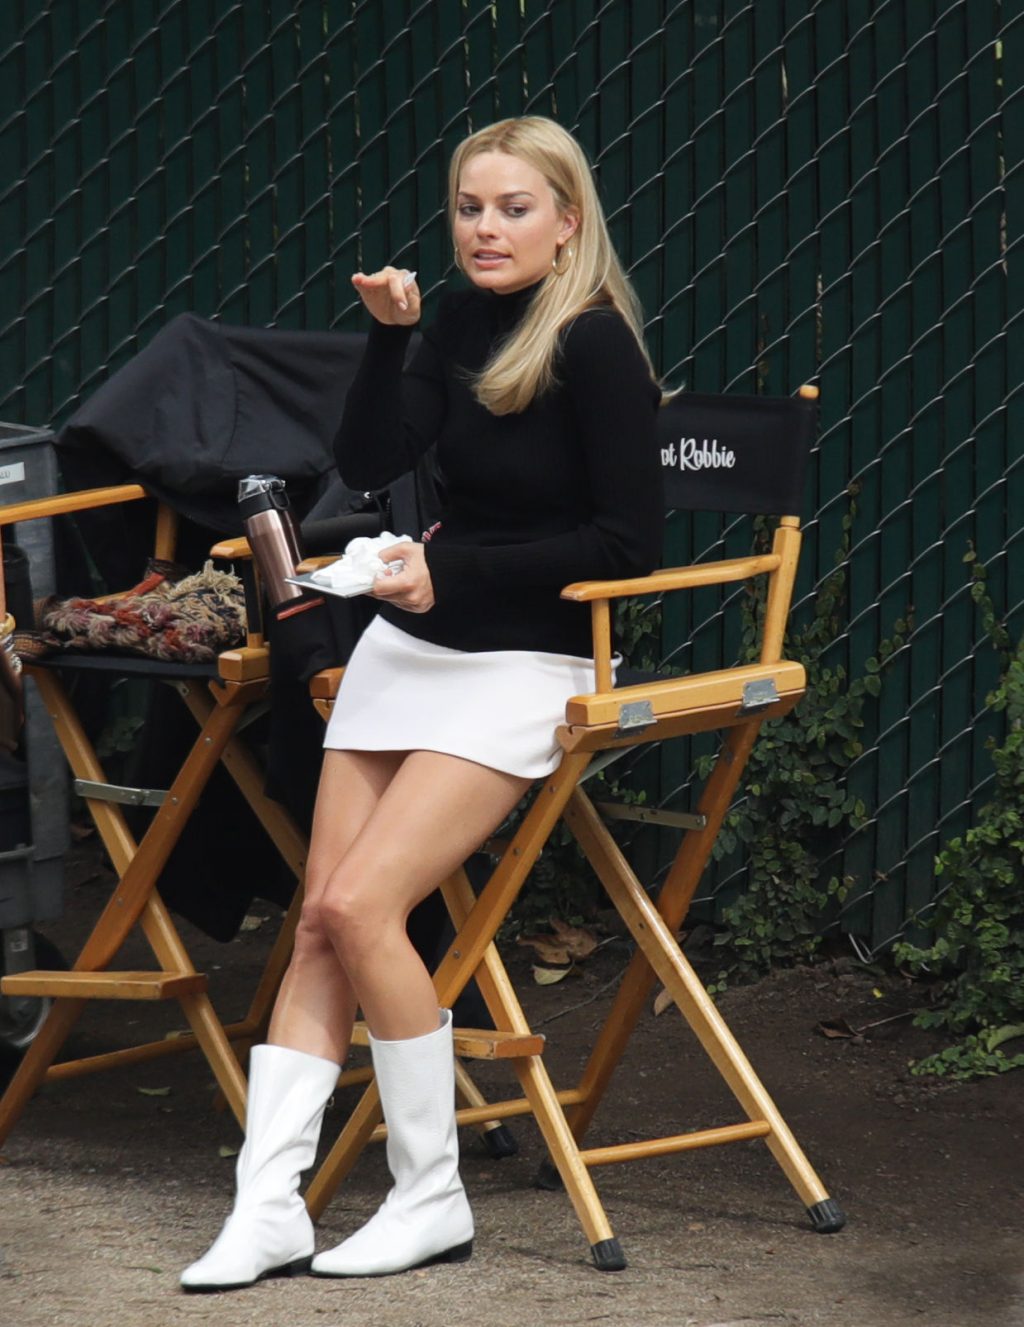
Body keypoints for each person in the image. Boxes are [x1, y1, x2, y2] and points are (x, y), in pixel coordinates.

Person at [180, 114, 663, 1292]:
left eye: (513, 208)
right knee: (316, 918)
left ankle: (429, 1194)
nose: (486, 229)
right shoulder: (450, 320)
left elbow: (627, 544)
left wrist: (457, 572)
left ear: (567, 221)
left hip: (526, 659)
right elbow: (367, 460)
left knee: (361, 905)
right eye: (468, 207)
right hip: (411, 645)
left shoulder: (595, 344)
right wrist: (388, 336)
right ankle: (267, 1207)